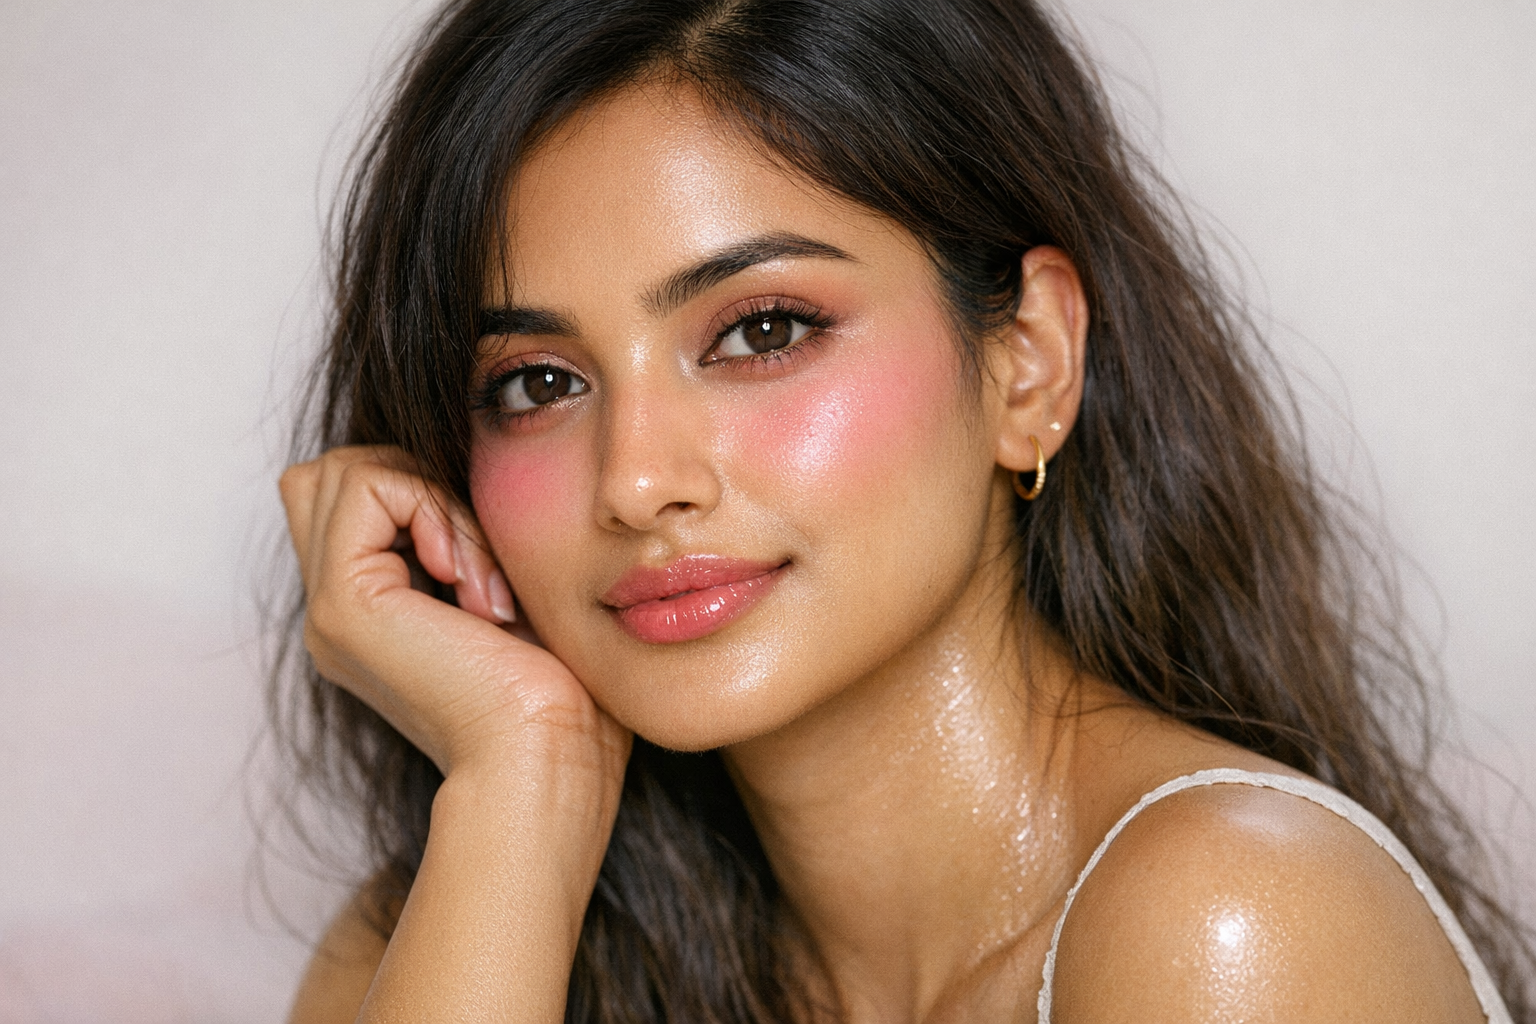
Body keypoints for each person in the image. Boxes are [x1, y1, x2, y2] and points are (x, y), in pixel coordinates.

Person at [271, 0, 1531, 1020]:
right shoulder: (471, 915)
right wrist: (519, 782)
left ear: (1027, 363)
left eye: (762, 331)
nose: (637, 479)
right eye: (536, 383)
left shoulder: (1227, 922)